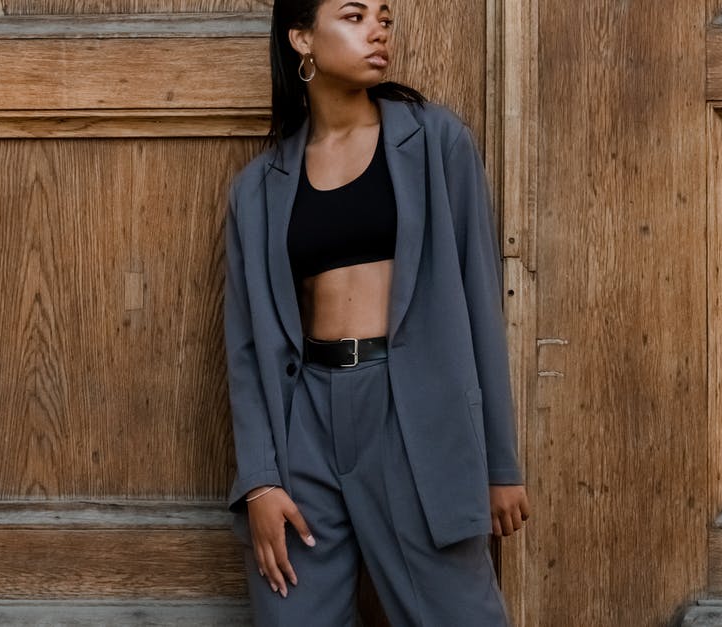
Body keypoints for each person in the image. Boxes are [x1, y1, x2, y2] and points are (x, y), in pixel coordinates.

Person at [222, 1, 530, 624]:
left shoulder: (436, 141)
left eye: (384, 18)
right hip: (302, 425)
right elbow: (248, 348)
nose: (378, 30)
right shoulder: (257, 188)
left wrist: (498, 463)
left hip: (414, 419)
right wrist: (259, 480)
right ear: (302, 38)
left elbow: (478, 305)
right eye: (356, 16)